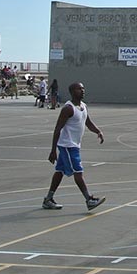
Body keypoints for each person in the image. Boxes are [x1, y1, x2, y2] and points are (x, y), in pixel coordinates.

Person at [42, 82, 106, 211]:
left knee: (59, 171)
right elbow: (57, 128)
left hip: (75, 145)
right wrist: (53, 150)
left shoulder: (83, 106)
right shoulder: (68, 108)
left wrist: (98, 131)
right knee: (78, 171)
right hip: (67, 146)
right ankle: (89, 199)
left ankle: (48, 199)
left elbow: (87, 122)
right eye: (79, 89)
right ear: (72, 92)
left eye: (83, 88)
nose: (82, 91)